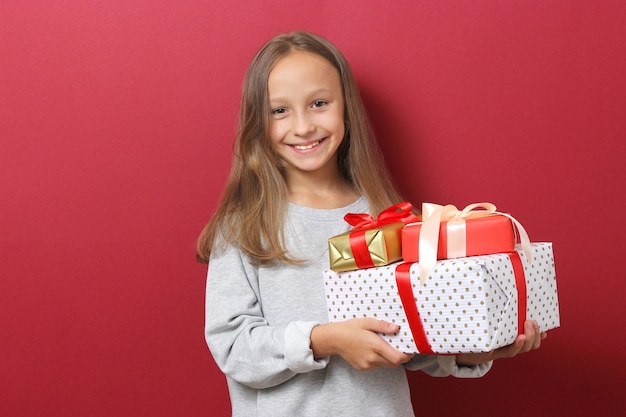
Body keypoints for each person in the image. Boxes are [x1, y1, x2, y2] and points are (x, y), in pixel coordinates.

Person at [196, 31, 546, 417]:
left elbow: (415, 337)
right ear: (256, 122)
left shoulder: (390, 217)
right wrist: (324, 340)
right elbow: (234, 350)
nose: (303, 126)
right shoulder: (244, 225)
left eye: (318, 103)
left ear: (346, 107)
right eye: (279, 110)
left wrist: (474, 347)